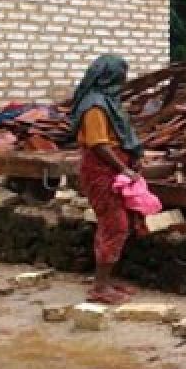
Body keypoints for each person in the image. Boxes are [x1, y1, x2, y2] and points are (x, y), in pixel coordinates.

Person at [69, 55, 145, 304]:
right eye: (121, 75)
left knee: (118, 223)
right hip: (101, 170)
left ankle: (107, 281)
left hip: (112, 168)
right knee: (115, 224)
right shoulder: (95, 107)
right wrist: (124, 168)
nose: (124, 80)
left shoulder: (108, 102)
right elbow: (98, 144)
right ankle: (99, 287)